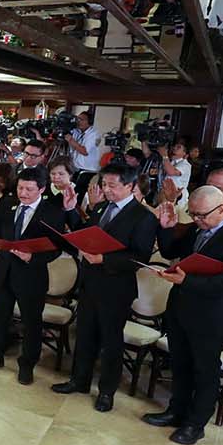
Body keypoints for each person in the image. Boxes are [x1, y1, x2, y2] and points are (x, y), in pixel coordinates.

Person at [141, 187, 223, 444]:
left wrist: (187, 281)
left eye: (202, 215)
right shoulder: (196, 229)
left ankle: (195, 423)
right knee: (180, 364)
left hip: (210, 315)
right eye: (193, 214)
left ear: (222, 209)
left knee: (205, 371)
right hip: (180, 308)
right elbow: (171, 251)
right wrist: (165, 227)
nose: (197, 220)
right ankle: (176, 410)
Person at [51, 163, 160, 412]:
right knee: (85, 335)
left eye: (113, 186)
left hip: (116, 287)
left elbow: (140, 256)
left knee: (111, 342)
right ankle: (79, 380)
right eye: (104, 185)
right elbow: (84, 234)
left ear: (131, 186)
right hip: (90, 283)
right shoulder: (101, 207)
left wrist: (105, 260)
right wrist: (71, 212)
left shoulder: (143, 216)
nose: (106, 190)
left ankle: (107, 392)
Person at [0, 165, 66, 384]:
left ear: (42, 189)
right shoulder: (8, 203)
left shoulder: (52, 212)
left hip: (31, 275)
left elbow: (56, 248)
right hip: (4, 271)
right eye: (20, 188)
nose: (23, 193)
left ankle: (27, 365)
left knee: (31, 323)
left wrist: (32, 258)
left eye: (29, 190)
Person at [65, 111, 102, 190]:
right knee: (70, 190)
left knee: (78, 193)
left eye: (82, 119)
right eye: (78, 119)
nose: (78, 122)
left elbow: (84, 151)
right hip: (76, 168)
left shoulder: (93, 134)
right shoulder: (77, 131)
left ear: (89, 122)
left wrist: (71, 140)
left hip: (87, 170)